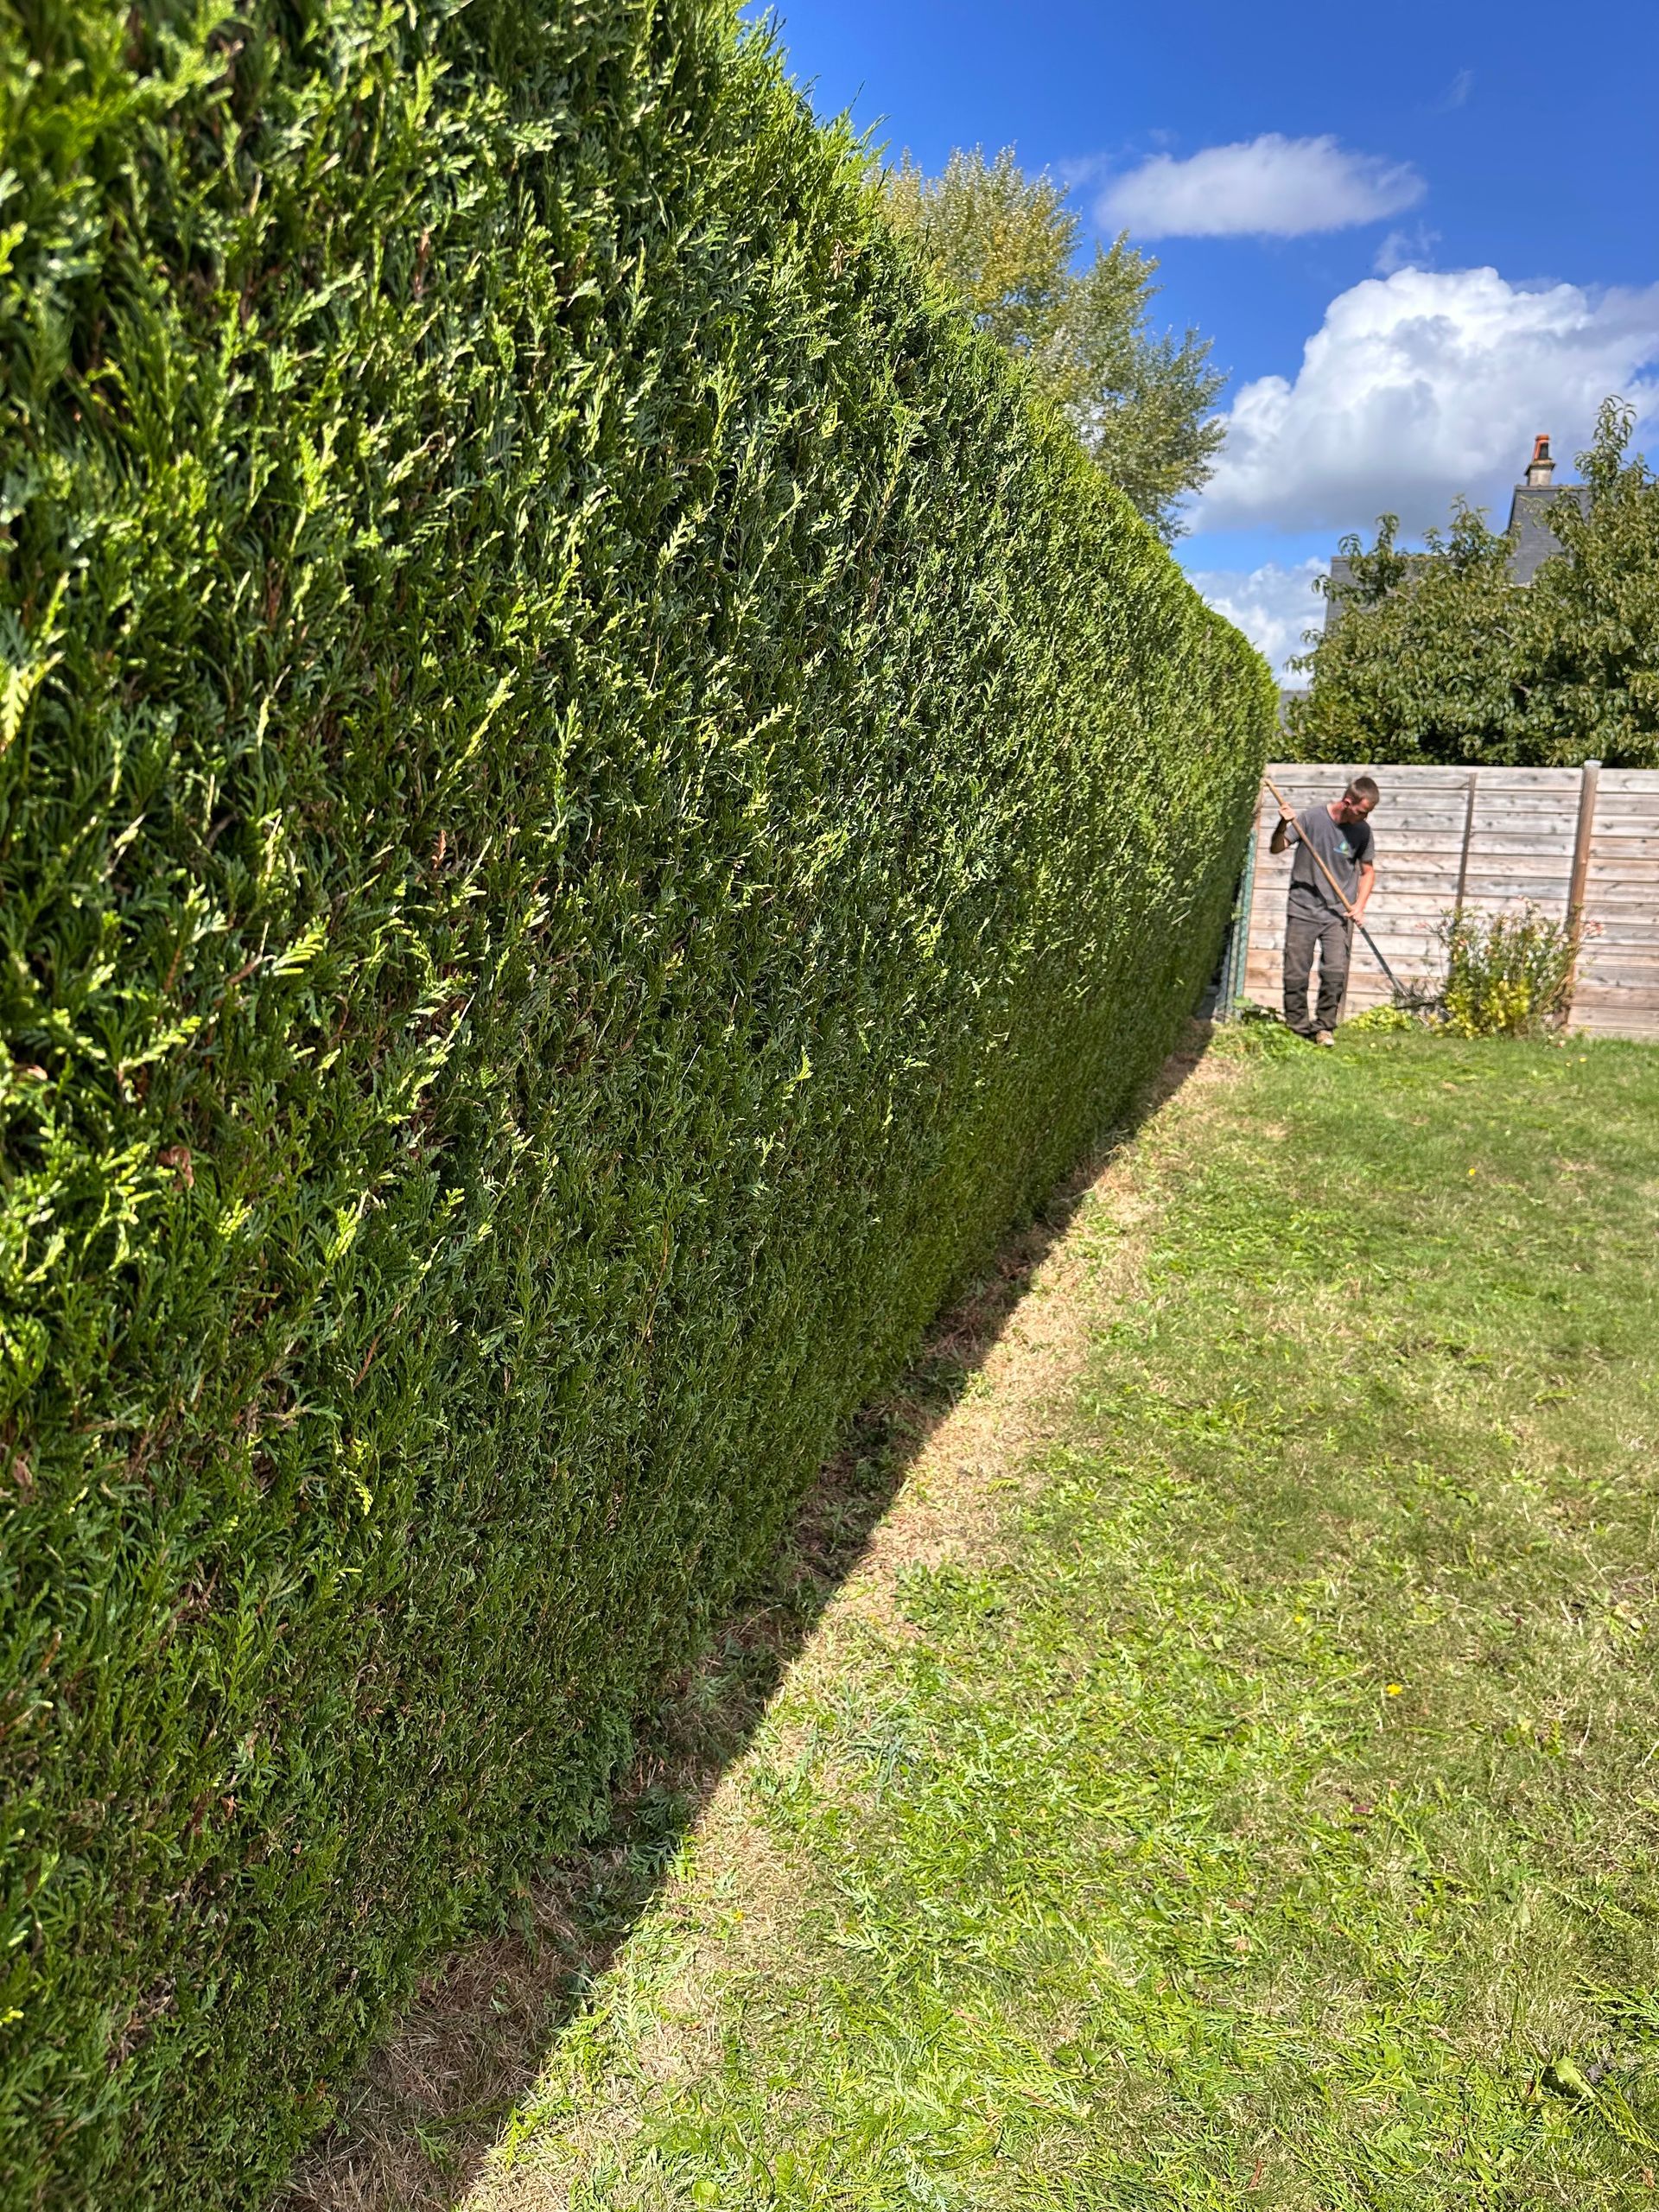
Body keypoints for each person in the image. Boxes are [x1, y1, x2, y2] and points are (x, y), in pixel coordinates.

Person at [1270, 775, 1379, 1043]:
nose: (1365, 818)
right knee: (1295, 972)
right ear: (1347, 802)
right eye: (1363, 811)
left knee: (1334, 971)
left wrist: (1360, 906)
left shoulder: (1362, 831)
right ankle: (1297, 1028)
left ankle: (1324, 1027)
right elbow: (1276, 848)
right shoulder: (1310, 819)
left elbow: (1368, 872)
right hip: (1302, 909)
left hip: (1336, 914)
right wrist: (1282, 824)